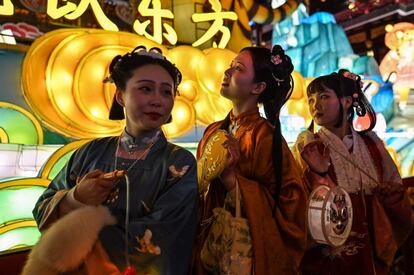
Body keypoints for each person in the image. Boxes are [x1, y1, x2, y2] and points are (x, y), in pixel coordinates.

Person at [32, 46, 198, 275]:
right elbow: (41, 209)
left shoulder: (179, 163)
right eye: (146, 89)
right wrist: (75, 197)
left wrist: (80, 239)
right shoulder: (91, 152)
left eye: (166, 92)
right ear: (120, 95)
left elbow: (166, 235)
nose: (157, 100)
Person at [192, 45, 308, 274]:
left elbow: (290, 200)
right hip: (208, 243)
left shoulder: (265, 135)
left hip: (244, 255)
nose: (227, 72)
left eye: (238, 68)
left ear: (258, 87)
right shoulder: (213, 131)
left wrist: (232, 181)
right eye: (230, 66)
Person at [293, 70, 413, 275]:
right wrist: (318, 174)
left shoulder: (372, 144)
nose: (315, 105)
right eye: (311, 100)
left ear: (347, 101)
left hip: (371, 247)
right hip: (327, 254)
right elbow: (297, 200)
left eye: (324, 97)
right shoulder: (309, 146)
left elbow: (395, 187)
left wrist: (390, 195)